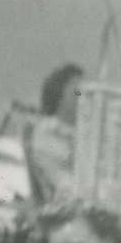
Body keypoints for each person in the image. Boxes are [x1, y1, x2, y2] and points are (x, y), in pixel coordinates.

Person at [25, 63, 84, 205]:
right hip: (68, 211)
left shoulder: (79, 132)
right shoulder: (48, 132)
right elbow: (63, 183)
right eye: (77, 92)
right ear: (60, 95)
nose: (84, 98)